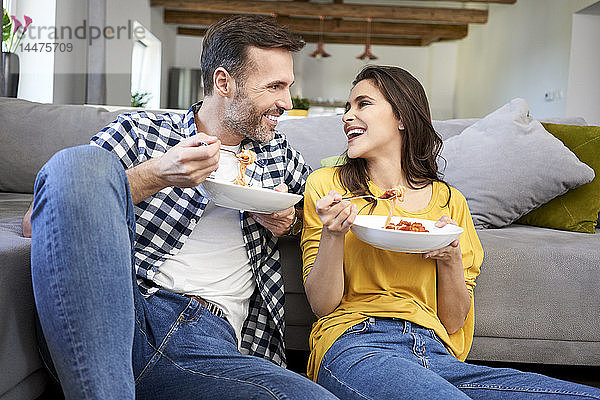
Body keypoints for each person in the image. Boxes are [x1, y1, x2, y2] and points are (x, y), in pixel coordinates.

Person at [26, 15, 338, 400]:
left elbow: (318, 213)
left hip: (210, 345)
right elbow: (42, 219)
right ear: (224, 82)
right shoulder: (141, 133)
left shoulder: (280, 155)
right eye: (274, 87)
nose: (286, 103)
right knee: (77, 164)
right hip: (119, 311)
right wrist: (158, 173)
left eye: (288, 87)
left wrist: (286, 221)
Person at [300, 65, 600, 399]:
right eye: (347, 108)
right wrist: (333, 234)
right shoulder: (329, 187)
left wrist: (450, 258)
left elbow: (454, 321)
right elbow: (322, 305)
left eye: (362, 104)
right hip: (357, 343)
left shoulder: (449, 202)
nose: (347, 116)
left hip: (436, 353)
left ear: (401, 116)